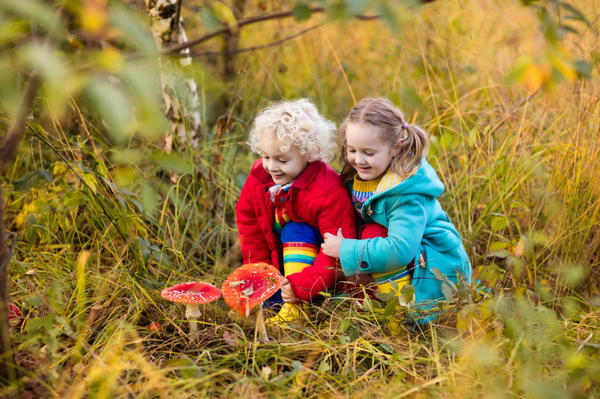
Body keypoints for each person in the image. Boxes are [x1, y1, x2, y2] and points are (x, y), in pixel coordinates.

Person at [321, 97, 471, 318]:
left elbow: (399, 250)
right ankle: (365, 297)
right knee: (366, 232)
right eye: (352, 150)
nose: (358, 159)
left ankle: (399, 311)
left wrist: (344, 249)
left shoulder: (405, 193)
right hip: (405, 260)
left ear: (395, 148)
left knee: (373, 232)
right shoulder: (362, 176)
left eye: (368, 153)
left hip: (434, 269)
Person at [236, 99, 356, 324]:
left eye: (282, 160)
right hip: (278, 260)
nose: (271, 166)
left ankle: (295, 309)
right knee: (260, 305)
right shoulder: (260, 177)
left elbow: (339, 249)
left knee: (295, 228)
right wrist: (261, 274)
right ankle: (277, 295)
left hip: (317, 270)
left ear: (309, 154)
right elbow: (249, 222)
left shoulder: (327, 188)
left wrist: (302, 287)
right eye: (266, 156)